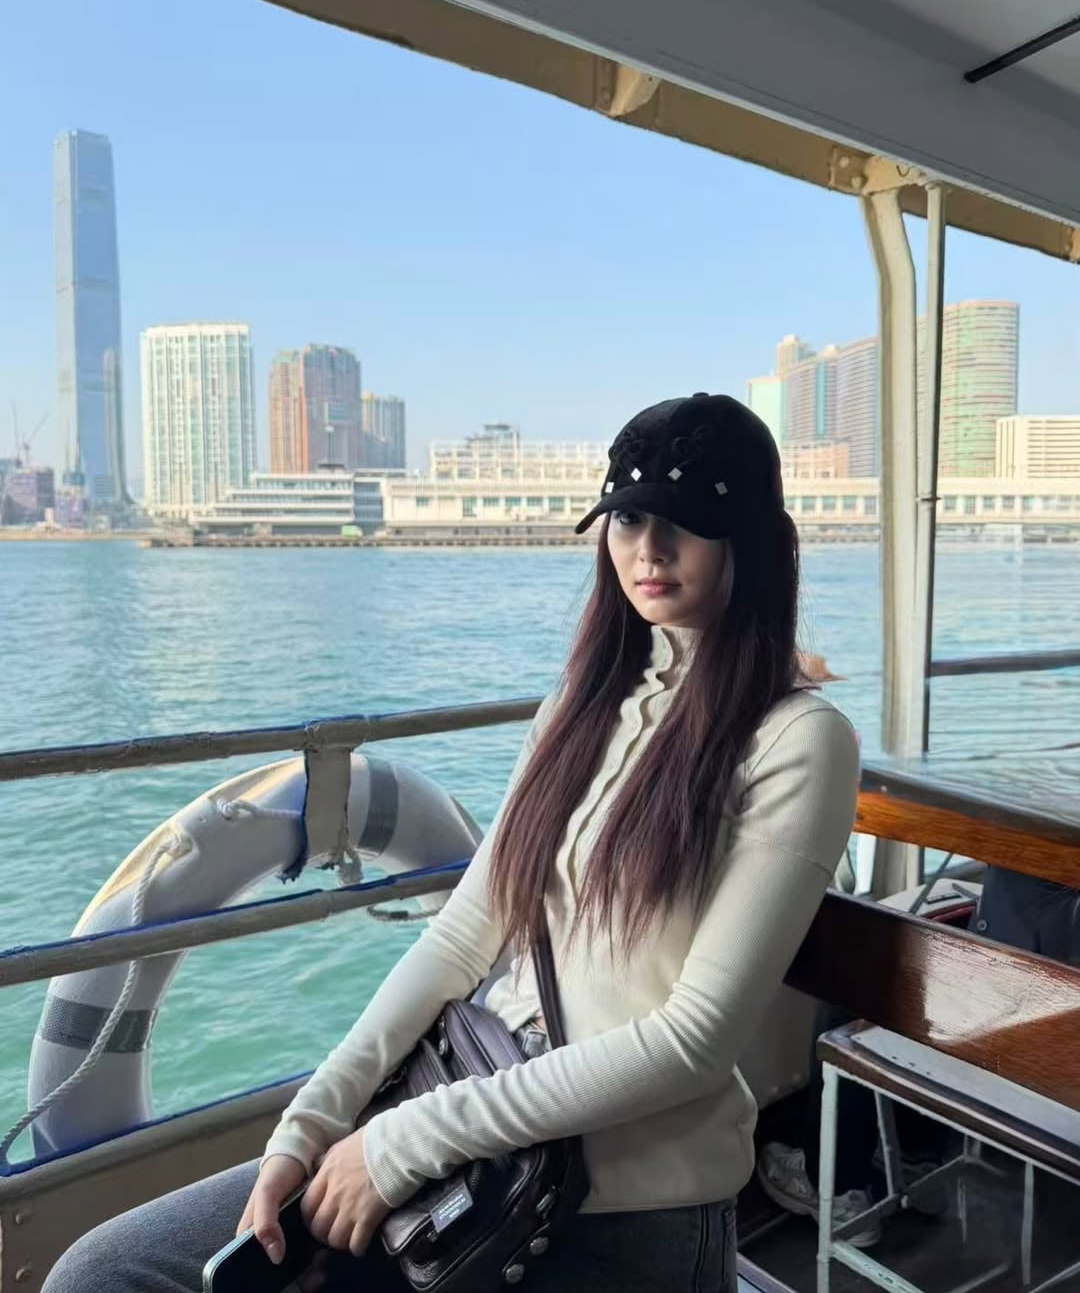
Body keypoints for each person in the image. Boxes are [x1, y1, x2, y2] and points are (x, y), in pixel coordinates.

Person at [43, 392, 859, 1293]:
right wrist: (309, 1128)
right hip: (476, 1152)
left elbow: (692, 1041)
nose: (650, 549)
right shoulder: (580, 708)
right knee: (103, 1271)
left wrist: (401, 1142)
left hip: (626, 1212)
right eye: (629, 518)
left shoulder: (796, 742)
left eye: (690, 520)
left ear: (757, 541)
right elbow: (466, 933)